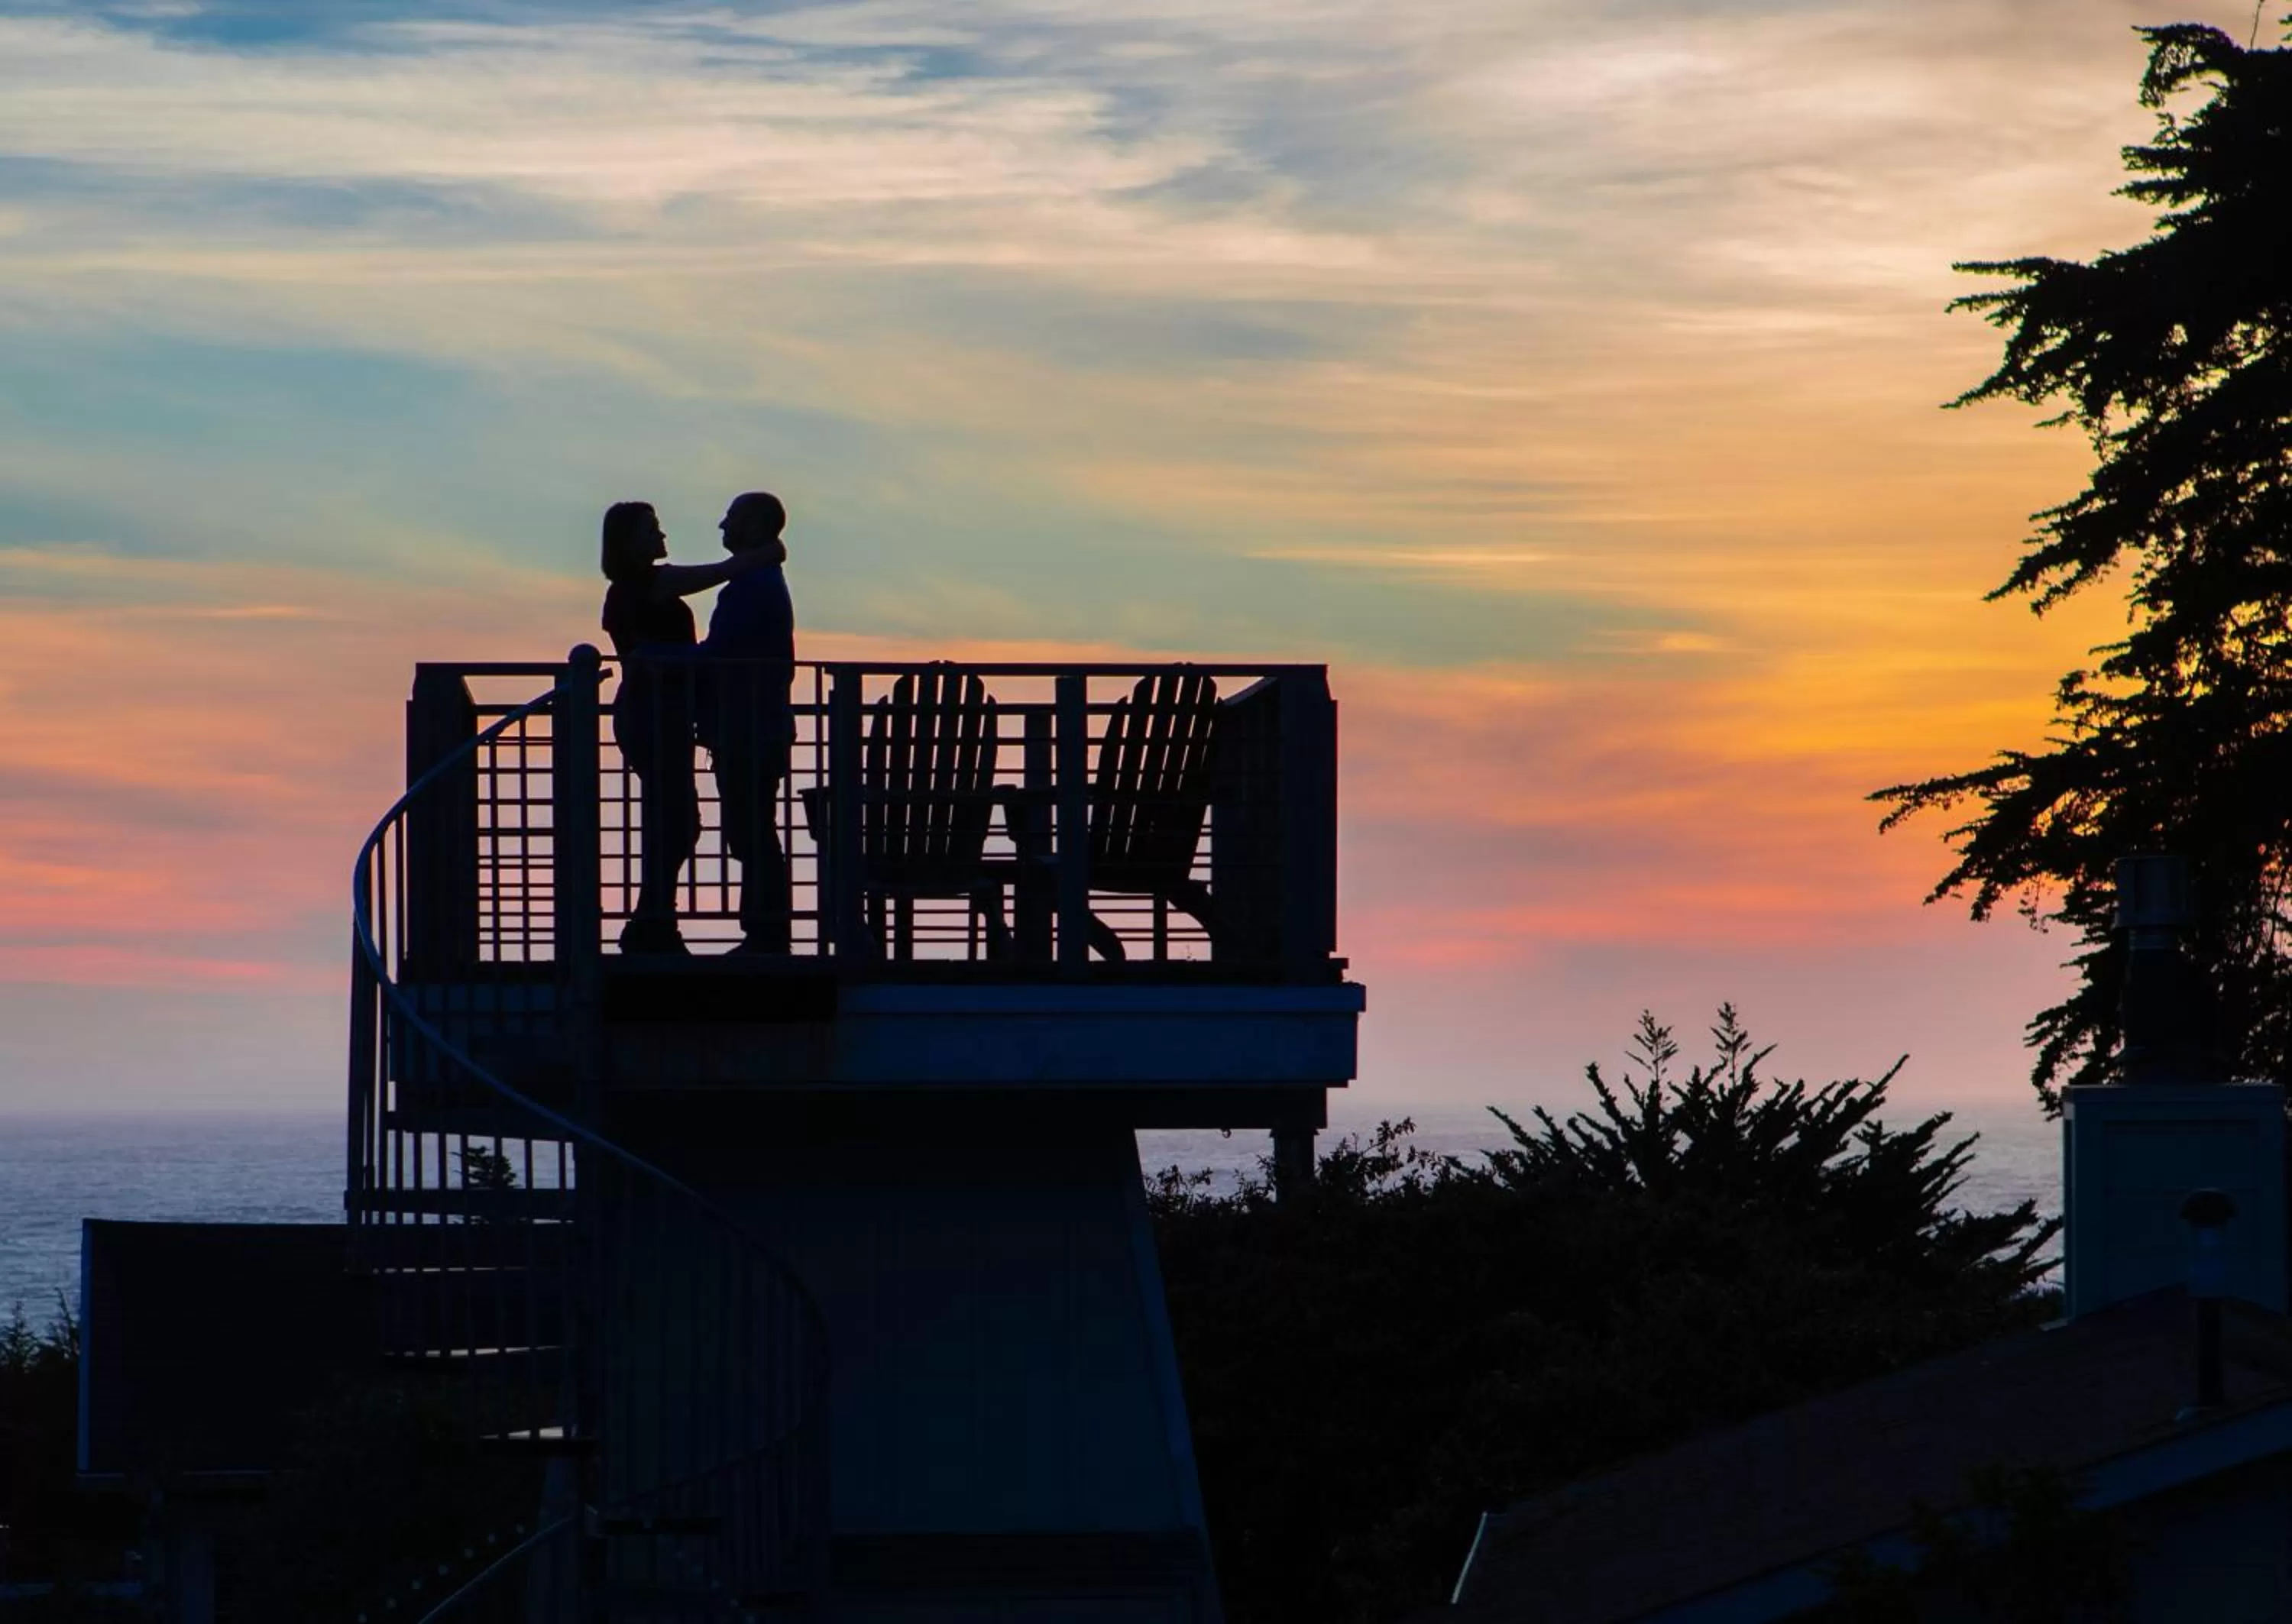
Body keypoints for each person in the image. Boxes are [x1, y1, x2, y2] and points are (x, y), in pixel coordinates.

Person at [598, 500, 775, 955]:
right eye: (651, 529)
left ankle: (654, 920)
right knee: (674, 819)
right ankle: (652, 925)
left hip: (670, 717)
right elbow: (711, 574)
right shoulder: (639, 586)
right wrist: (761, 555)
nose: (661, 535)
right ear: (629, 542)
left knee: (677, 820)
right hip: (650, 715)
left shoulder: (649, 586)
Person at [698, 491, 796, 955]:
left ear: (754, 527)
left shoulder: (750, 587)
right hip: (757, 727)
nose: (722, 525)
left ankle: (767, 932)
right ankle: (765, 929)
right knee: (753, 827)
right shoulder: (760, 582)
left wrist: (663, 658)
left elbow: (719, 655)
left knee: (751, 828)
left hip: (749, 729)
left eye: (732, 517)